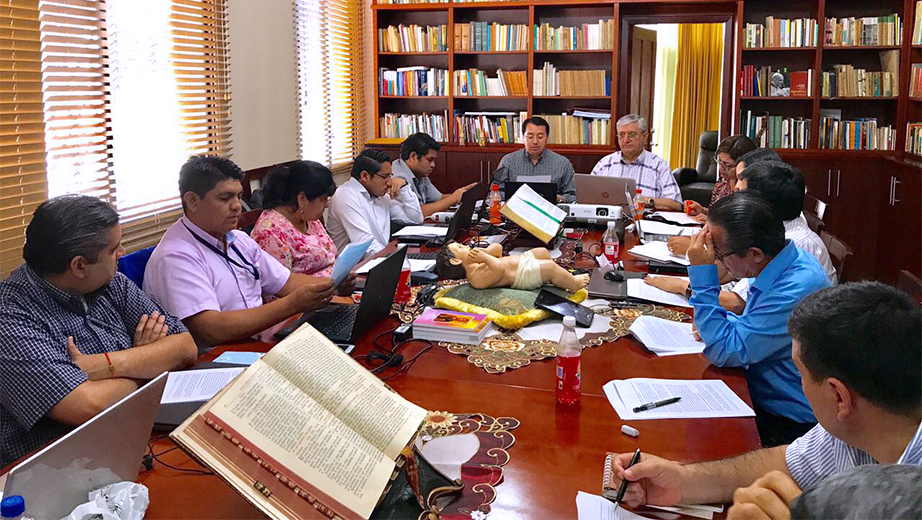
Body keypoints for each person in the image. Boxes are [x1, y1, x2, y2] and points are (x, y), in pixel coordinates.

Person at [605, 281, 921, 519]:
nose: (800, 384)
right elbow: (787, 463)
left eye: (799, 372)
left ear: (838, 396)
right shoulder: (859, 423)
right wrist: (682, 480)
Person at [0, 195, 197, 467]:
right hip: (56, 466)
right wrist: (147, 365)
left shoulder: (110, 281)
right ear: (79, 266)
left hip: (133, 435)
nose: (123, 252)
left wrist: (101, 367)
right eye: (114, 248)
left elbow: (185, 346)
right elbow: (87, 406)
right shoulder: (11, 315)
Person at [144, 156, 338, 348]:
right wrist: (292, 305)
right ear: (193, 201)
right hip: (219, 358)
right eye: (225, 198)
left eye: (238, 196)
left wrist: (334, 284)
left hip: (258, 341)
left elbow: (287, 282)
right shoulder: (176, 256)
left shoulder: (238, 240)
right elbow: (211, 329)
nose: (237, 205)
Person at [685, 191, 830, 444]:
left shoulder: (796, 287)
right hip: (757, 390)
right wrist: (723, 324)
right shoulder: (779, 259)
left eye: (719, 254)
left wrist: (703, 275)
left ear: (754, 253)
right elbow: (749, 326)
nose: (716, 260)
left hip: (787, 421)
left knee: (690, 440)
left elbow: (725, 350)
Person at [649, 161, 837, 312]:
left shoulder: (790, 245)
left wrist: (685, 286)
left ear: (760, 205)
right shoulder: (769, 232)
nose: (733, 199)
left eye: (740, 195)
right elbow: (728, 275)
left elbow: (739, 305)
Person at [326, 148, 424, 257]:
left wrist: (404, 186)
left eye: (390, 176)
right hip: (354, 269)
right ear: (364, 176)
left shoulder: (379, 194)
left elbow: (415, 219)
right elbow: (367, 246)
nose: (390, 182)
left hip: (378, 260)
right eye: (384, 177)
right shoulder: (346, 196)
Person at [250, 161, 338, 279]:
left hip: (332, 289)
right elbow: (278, 289)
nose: (326, 205)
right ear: (302, 199)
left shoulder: (309, 218)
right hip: (312, 295)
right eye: (322, 200)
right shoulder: (270, 233)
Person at [590, 114, 683, 211]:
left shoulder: (659, 166)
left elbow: (676, 204)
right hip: (608, 222)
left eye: (631, 134)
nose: (626, 140)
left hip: (646, 222)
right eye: (621, 135)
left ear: (644, 136)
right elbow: (587, 196)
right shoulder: (605, 164)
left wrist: (645, 201)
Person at [435, 242, 589, 292]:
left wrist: (488, 251)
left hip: (521, 261)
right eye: (460, 248)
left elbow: (498, 249)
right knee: (549, 267)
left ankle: (554, 277)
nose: (466, 246)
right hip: (521, 276)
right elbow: (499, 269)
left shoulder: (478, 259)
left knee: (541, 252)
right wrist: (486, 258)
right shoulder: (476, 278)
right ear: (456, 261)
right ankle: (572, 284)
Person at [391, 132, 476, 218]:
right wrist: (453, 199)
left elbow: (440, 198)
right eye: (430, 160)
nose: (433, 165)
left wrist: (462, 196)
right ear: (413, 157)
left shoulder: (420, 173)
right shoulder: (397, 179)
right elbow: (417, 213)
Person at [494, 117, 576, 203]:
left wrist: (558, 198)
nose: (535, 141)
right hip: (515, 212)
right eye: (530, 137)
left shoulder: (563, 163)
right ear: (523, 138)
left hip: (549, 212)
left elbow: (573, 195)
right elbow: (495, 191)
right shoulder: (508, 161)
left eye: (540, 137)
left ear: (547, 138)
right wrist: (508, 199)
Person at [684, 135, 757, 220]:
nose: (721, 168)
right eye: (719, 162)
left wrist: (711, 222)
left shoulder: (749, 189)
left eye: (727, 165)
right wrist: (703, 211)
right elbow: (718, 214)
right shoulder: (723, 182)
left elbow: (740, 224)